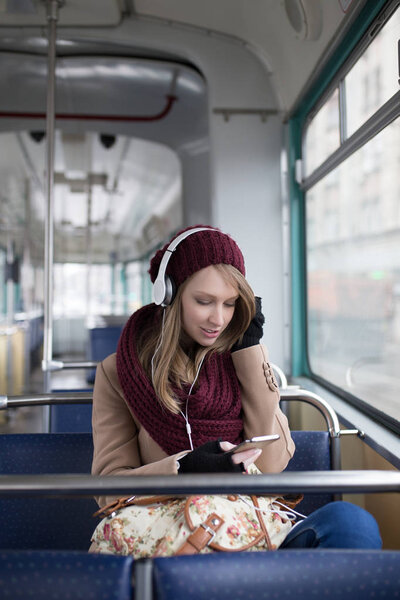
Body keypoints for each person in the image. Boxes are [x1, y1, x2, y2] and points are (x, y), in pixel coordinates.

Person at [90, 225, 381, 551]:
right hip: (173, 534)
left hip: (251, 526)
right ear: (169, 296)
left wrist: (249, 353)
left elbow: (271, 465)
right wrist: (183, 468)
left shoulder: (246, 361)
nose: (218, 319)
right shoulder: (119, 372)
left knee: (352, 523)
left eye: (230, 304)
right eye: (204, 301)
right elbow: (109, 487)